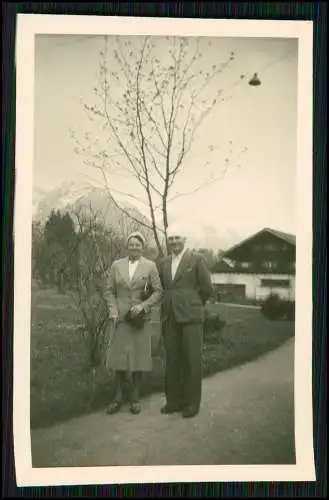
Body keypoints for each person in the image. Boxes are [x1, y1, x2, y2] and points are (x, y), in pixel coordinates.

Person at [158, 224, 214, 419]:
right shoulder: (163, 262)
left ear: (185, 239)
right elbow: (162, 287)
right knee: (172, 360)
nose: (174, 241)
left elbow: (206, 288)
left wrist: (194, 303)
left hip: (191, 317)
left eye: (177, 238)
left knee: (192, 360)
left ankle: (192, 404)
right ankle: (173, 401)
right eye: (171, 238)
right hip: (170, 316)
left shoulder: (196, 259)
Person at [104, 231, 163, 415]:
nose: (134, 247)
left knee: (139, 357)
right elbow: (108, 291)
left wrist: (144, 306)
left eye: (137, 245)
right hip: (120, 318)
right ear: (126, 246)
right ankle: (118, 397)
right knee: (119, 358)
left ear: (142, 247)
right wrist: (113, 311)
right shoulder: (116, 265)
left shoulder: (150, 266)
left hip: (139, 319)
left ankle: (135, 397)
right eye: (131, 244)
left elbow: (158, 292)